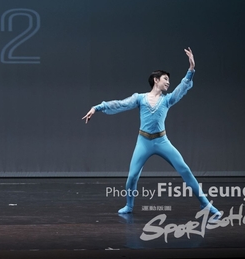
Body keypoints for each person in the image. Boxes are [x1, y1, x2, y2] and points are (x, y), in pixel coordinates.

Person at [82, 48, 221, 220]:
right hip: (144, 142)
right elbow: (120, 104)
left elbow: (182, 88)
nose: (168, 83)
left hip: (162, 141)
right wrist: (97, 107)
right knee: (132, 176)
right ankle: (129, 205)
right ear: (156, 80)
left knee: (185, 169)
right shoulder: (140, 98)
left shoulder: (167, 99)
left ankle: (205, 203)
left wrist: (191, 69)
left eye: (169, 80)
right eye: (165, 79)